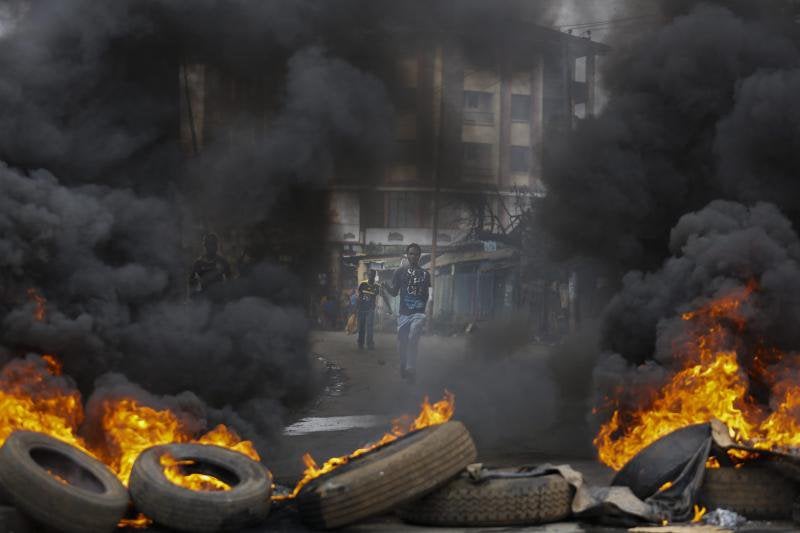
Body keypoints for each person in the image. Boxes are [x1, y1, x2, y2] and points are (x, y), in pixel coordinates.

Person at [384, 243, 430, 383]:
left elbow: (427, 295)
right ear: (407, 255)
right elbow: (394, 292)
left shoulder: (425, 274)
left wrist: (424, 312)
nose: (413, 256)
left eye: (416, 254)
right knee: (402, 344)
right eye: (411, 253)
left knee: (413, 338)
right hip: (404, 314)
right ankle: (404, 366)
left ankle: (411, 368)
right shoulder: (399, 272)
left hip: (418, 313)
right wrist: (386, 286)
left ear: (419, 256)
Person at [187, 233, 232, 298]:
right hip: (205, 298)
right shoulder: (199, 262)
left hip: (220, 297)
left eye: (213, 244)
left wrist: (227, 294)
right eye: (209, 244)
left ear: (216, 246)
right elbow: (191, 281)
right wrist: (192, 295)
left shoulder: (222, 261)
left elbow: (230, 280)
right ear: (205, 246)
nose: (211, 247)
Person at [356, 269, 380, 350]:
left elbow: (383, 296)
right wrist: (357, 308)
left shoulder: (377, 286)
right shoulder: (362, 284)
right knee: (361, 326)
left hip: (370, 309)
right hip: (362, 309)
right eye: (369, 274)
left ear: (374, 276)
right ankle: (360, 343)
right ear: (368, 275)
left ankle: (369, 343)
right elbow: (359, 297)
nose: (371, 276)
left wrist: (389, 308)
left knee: (370, 326)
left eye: (372, 275)